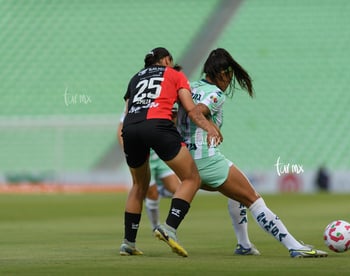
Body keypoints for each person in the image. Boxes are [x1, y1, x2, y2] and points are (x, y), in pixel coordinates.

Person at [177, 48, 328, 258]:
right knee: (253, 199)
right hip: (207, 160)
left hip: (185, 162)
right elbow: (196, 112)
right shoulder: (215, 94)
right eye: (229, 76)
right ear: (222, 73)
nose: (229, 81)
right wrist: (210, 127)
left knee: (237, 195)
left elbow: (176, 112)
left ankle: (244, 245)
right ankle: (295, 247)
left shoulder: (190, 87)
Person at [120, 47, 221, 257]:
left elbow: (128, 111)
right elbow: (191, 109)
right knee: (192, 178)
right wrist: (210, 127)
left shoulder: (135, 78)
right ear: (166, 60)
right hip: (157, 126)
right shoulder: (175, 74)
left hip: (130, 129)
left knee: (139, 185)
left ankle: (128, 242)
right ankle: (170, 228)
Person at [117, 111, 180, 231]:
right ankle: (155, 227)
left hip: (160, 155)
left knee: (177, 190)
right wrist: (128, 150)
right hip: (145, 157)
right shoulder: (134, 106)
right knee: (151, 193)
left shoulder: (160, 104)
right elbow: (121, 129)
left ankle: (159, 190)